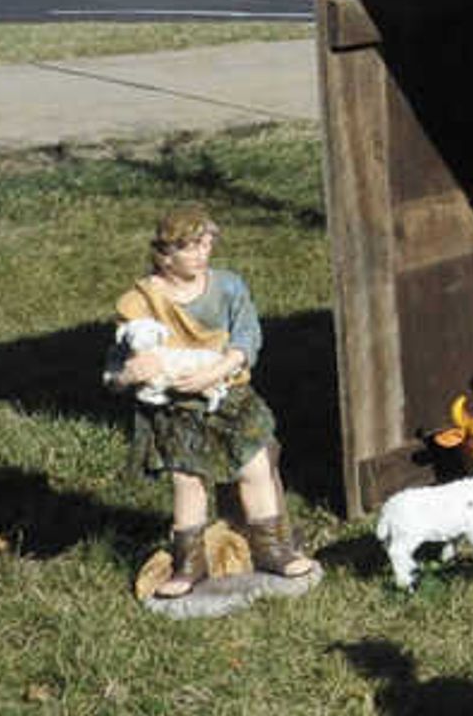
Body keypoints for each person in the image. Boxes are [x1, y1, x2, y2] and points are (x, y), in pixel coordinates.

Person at [109, 207, 320, 599]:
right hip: (176, 409)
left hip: (228, 393)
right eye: (190, 247)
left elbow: (247, 337)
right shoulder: (140, 301)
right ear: (165, 253)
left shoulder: (228, 286)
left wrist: (217, 370)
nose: (202, 254)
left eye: (207, 245)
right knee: (188, 482)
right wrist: (130, 374)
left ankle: (272, 549)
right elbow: (115, 372)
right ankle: (189, 563)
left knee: (254, 466)